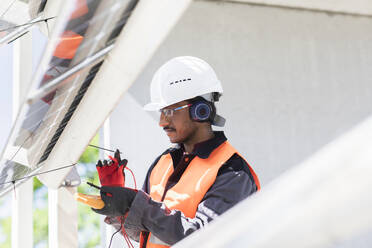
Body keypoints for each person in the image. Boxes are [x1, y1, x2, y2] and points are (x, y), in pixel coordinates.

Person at [92, 56, 261, 247]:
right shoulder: (162, 164)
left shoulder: (232, 173)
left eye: (170, 111)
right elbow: (146, 233)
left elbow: (202, 238)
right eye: (161, 112)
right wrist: (118, 207)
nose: (162, 122)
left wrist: (135, 202)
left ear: (201, 110)